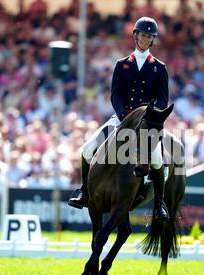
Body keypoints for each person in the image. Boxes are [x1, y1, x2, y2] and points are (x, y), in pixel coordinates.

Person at [68, 17, 170, 220]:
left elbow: (162, 99)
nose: (145, 39)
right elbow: (115, 94)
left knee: (157, 160)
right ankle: (84, 192)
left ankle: (159, 204)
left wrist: (149, 116)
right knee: (88, 148)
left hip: (146, 123)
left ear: (152, 40)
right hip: (122, 118)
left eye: (149, 37)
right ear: (136, 36)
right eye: (143, 35)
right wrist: (124, 115)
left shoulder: (160, 67)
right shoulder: (122, 65)